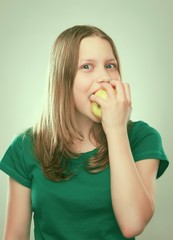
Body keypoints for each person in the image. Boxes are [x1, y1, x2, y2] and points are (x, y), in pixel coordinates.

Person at [0, 25, 169, 240]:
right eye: (87, 66)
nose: (104, 77)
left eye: (110, 65)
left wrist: (116, 129)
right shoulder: (25, 147)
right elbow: (15, 236)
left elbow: (132, 224)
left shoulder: (142, 138)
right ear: (63, 79)